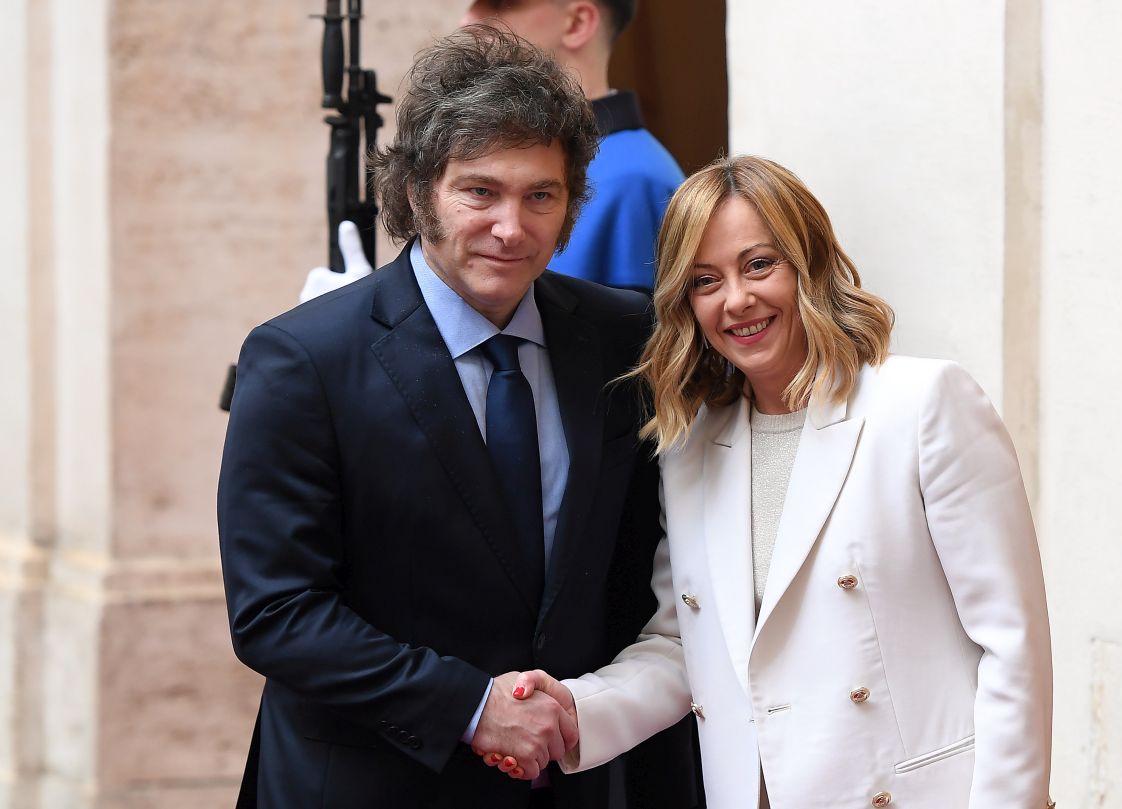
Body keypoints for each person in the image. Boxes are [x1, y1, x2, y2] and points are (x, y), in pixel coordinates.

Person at [218, 25, 698, 808]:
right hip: (368, 787)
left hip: (567, 785)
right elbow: (277, 611)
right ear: (417, 192)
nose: (512, 227)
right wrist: (471, 707)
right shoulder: (302, 359)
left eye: (540, 195)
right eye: (480, 192)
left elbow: (638, 573)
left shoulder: (623, 338)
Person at [484, 155, 1056, 808]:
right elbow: (684, 645)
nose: (737, 300)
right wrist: (572, 710)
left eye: (759, 265)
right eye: (705, 280)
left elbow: (1011, 644)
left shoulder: (923, 403)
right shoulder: (693, 446)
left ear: (809, 264)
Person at [302, 1, 683, 303]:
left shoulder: (635, 177)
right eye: (482, 190)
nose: (469, 20)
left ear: (577, 22)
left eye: (500, 4)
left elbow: (629, 352)